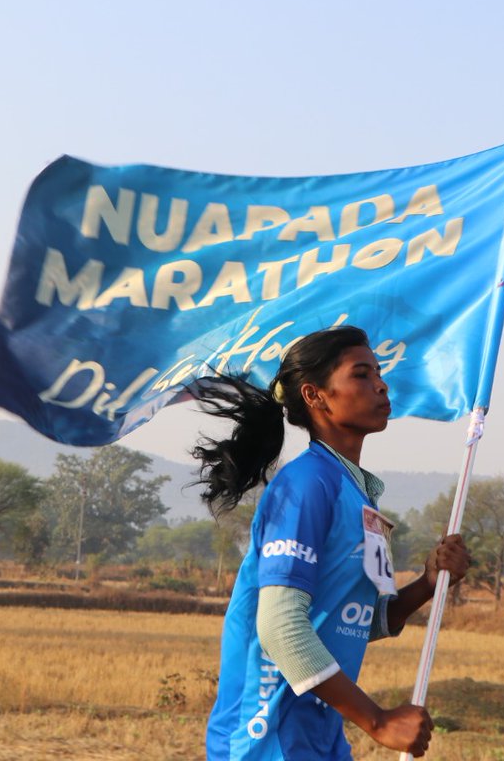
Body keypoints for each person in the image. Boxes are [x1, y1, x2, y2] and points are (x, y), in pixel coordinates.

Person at [190, 325, 471, 761]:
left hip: (318, 737)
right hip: (266, 739)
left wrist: (429, 582)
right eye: (361, 374)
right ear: (315, 395)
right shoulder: (306, 484)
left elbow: (348, 623)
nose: (381, 383)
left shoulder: (353, 492)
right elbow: (281, 628)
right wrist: (377, 720)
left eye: (378, 372)